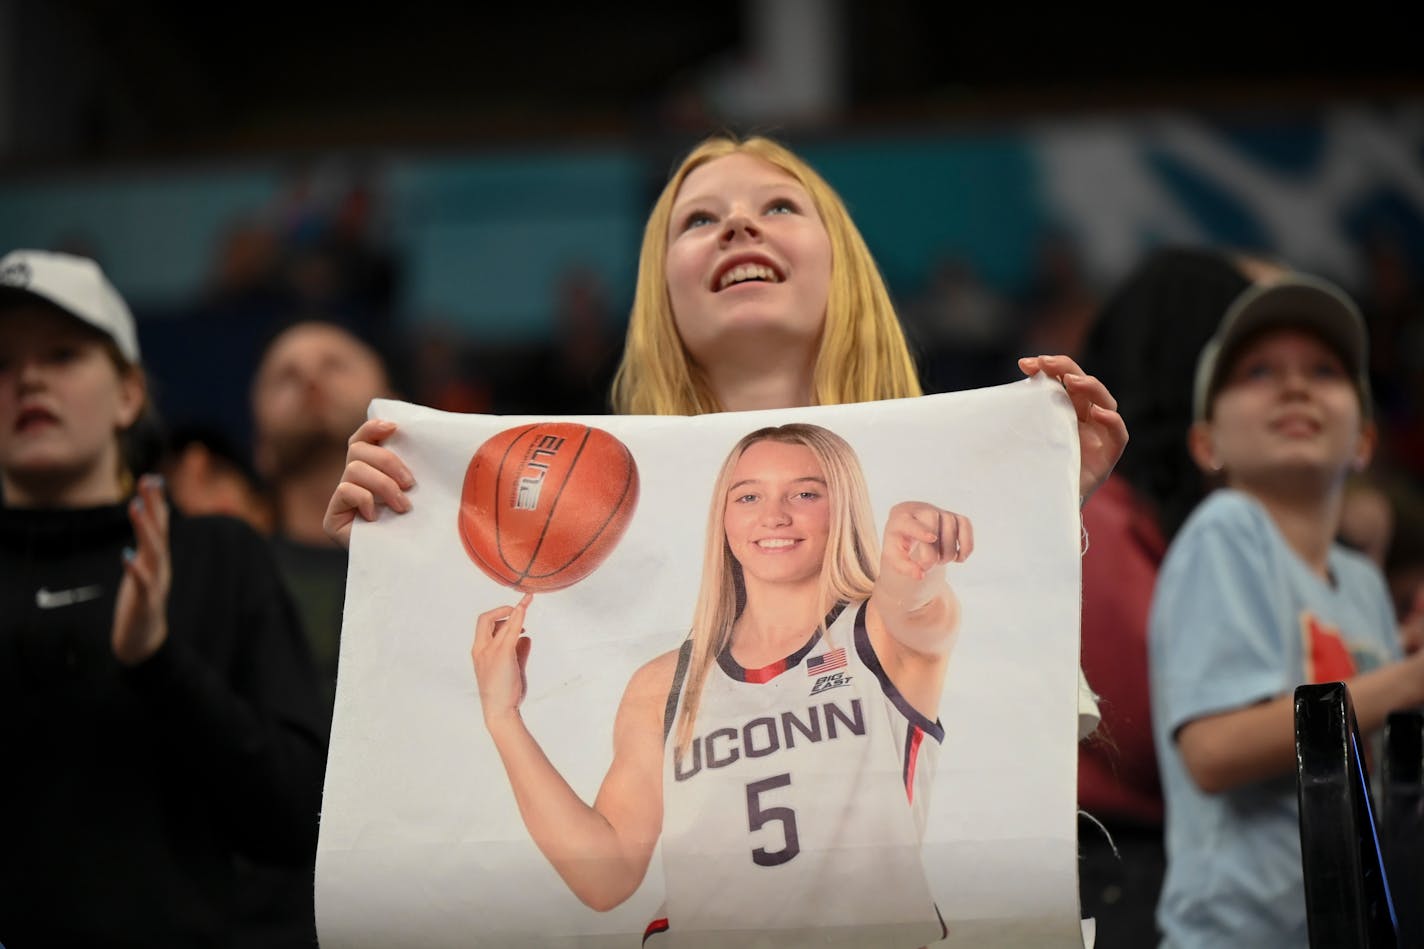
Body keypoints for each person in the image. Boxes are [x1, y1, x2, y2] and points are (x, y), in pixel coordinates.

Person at [322, 133, 1128, 931]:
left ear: (840, 261)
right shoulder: (655, 677)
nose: (740, 225)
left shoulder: (894, 602)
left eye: (778, 204)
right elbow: (606, 879)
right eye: (698, 220)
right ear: (660, 289)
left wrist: (1039, 507)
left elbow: (953, 636)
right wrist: (404, 565)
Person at [474, 423, 969, 945]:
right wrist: (502, 717)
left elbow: (919, 606)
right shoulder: (664, 684)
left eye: (805, 493)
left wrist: (916, 560)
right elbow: (605, 878)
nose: (773, 515)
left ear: (843, 508)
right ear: (724, 519)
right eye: (748, 496)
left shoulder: (882, 636)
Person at [0, 248, 328, 948]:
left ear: (128, 393)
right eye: (1, 364)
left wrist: (160, 662)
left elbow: (296, 820)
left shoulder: (216, 555)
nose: (27, 378)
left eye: (61, 354)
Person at [1148, 273, 1424, 947]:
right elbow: (1213, 749)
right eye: (1258, 371)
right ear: (1207, 443)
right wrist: (1408, 679)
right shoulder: (1227, 529)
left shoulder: (1360, 581)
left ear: (1363, 440)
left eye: (1325, 370)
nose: (1295, 386)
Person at [1072, 246, 1284, 947]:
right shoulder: (1095, 518)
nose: (1284, 388)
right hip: (1112, 874)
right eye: (1254, 363)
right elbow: (1138, 729)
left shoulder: (1203, 523)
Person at [251, 318, 395, 705]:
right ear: (260, 447)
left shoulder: (444, 566)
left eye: (334, 365)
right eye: (285, 376)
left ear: (395, 406)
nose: (311, 379)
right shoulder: (239, 578)